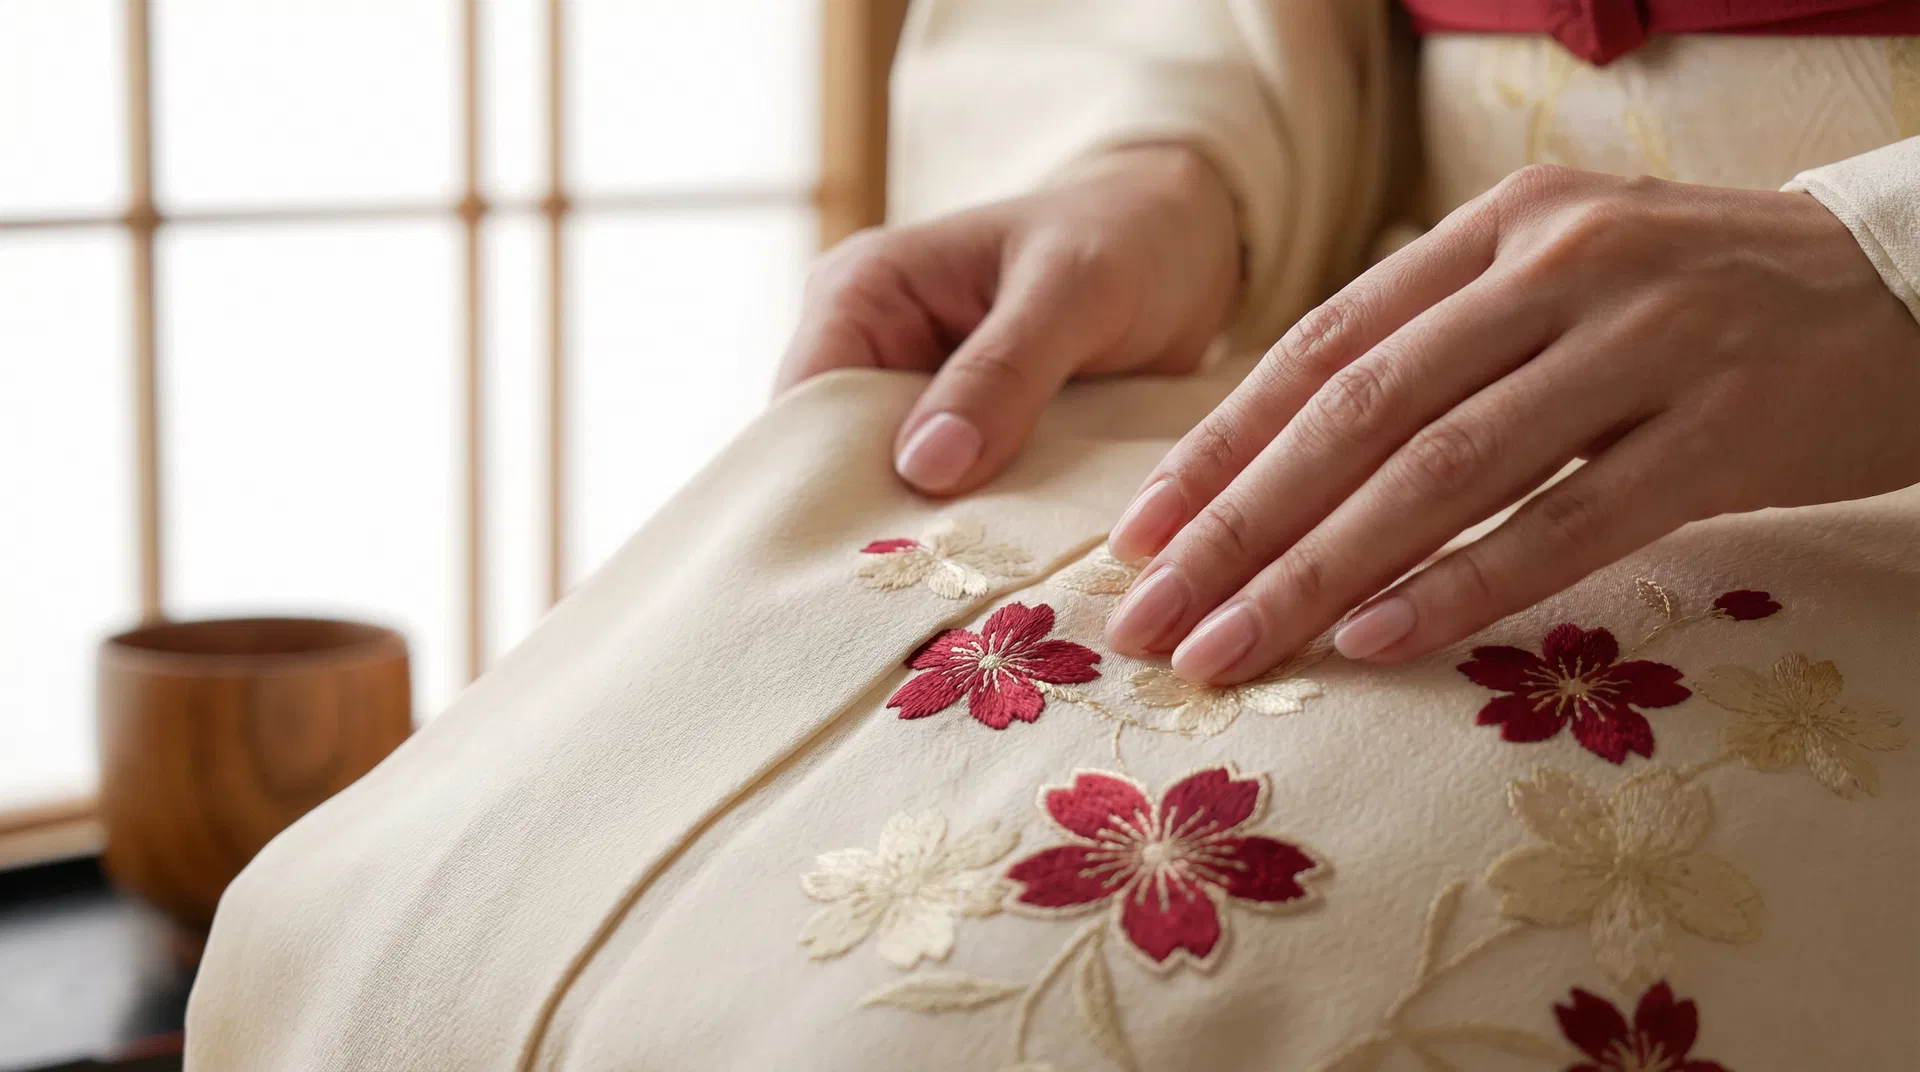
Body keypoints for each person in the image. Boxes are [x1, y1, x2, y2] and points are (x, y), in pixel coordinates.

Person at [185, 3, 1920, 1069]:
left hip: (1871, 407)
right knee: (384, 908)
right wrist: (1176, 169)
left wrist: (1879, 268)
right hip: (1367, 317)